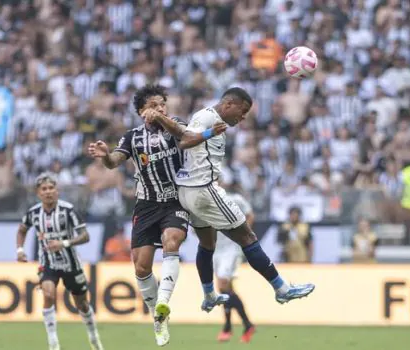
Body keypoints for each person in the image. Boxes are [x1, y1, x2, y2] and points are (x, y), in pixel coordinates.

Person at [142, 87, 315, 313]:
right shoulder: (207, 118)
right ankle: (281, 288)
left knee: (207, 243)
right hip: (203, 189)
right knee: (247, 236)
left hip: (188, 191)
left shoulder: (212, 120)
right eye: (242, 112)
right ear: (228, 105)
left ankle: (209, 295)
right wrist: (207, 134)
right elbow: (184, 141)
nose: (242, 118)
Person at [87, 85, 222, 346]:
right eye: (153, 105)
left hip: (175, 200)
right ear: (141, 111)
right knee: (141, 266)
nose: (160, 108)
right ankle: (157, 318)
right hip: (146, 204)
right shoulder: (132, 137)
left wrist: (195, 129)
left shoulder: (175, 126)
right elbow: (115, 161)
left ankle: (163, 302)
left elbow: (187, 137)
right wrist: (105, 157)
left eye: (163, 104)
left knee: (173, 241)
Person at [15, 173, 103, 350]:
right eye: (44, 189)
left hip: (72, 264)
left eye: (51, 188)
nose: (48, 192)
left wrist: (64, 243)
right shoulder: (33, 213)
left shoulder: (68, 210)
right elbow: (22, 230)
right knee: (48, 295)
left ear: (57, 190)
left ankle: (94, 338)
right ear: (38, 193)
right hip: (48, 263)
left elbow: (85, 236)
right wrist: (20, 250)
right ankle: (53, 343)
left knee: (82, 304)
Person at [214, 183, 255, 343]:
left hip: (231, 247)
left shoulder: (234, 199)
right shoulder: (205, 201)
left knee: (223, 284)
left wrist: (242, 235)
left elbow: (250, 215)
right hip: (216, 249)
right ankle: (246, 324)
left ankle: (228, 327)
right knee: (225, 289)